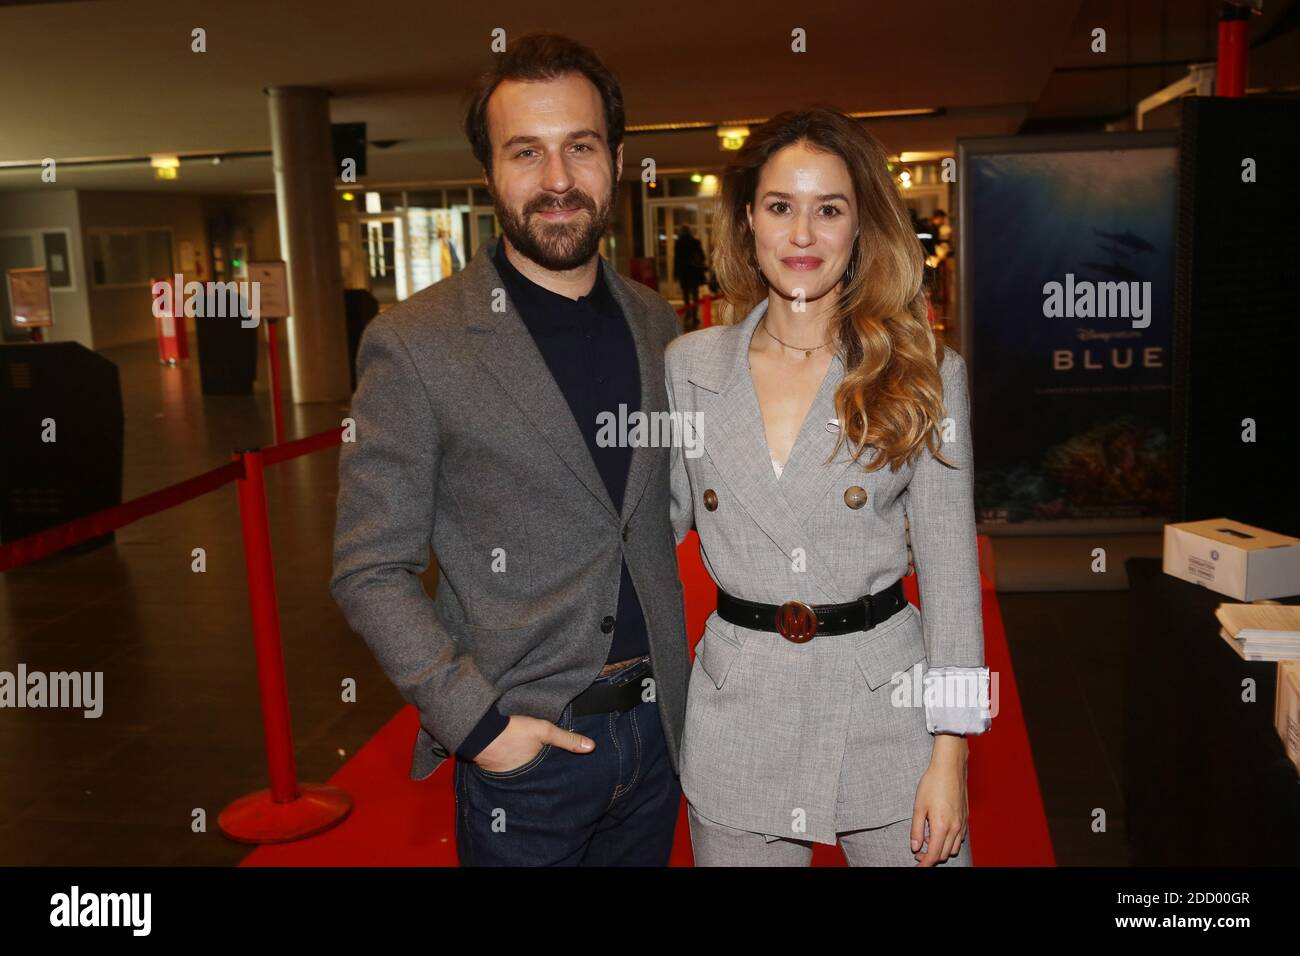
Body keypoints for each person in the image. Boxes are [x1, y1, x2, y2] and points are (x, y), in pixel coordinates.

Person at [330, 32, 689, 866]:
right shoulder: (415, 344)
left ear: (619, 160)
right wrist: (480, 727)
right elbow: (367, 567)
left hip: (663, 733)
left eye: (580, 148)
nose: (557, 180)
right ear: (489, 171)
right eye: (526, 152)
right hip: (529, 758)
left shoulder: (657, 323)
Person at [665, 107, 991, 866]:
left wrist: (952, 757)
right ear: (749, 221)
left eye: (828, 210)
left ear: (860, 227)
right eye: (781, 207)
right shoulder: (689, 368)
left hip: (891, 719)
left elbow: (951, 580)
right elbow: (648, 533)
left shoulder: (926, 373)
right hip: (739, 716)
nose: (802, 235)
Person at [673, 224, 707, 330]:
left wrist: (675, 273)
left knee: (686, 294)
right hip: (694, 272)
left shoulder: (679, 243)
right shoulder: (695, 242)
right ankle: (694, 315)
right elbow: (702, 257)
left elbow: (677, 260)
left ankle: (687, 313)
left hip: (684, 273)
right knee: (695, 294)